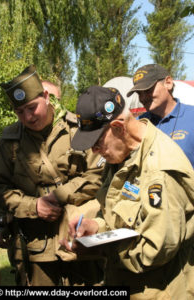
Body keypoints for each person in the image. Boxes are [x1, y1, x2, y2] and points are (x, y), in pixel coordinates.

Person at [62, 85, 194, 299]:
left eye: (96, 143)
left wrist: (96, 248)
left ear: (118, 127)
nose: (94, 151)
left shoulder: (160, 170)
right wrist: (95, 226)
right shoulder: (122, 155)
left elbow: (154, 251)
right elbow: (117, 217)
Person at [0, 65, 105, 286]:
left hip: (79, 241)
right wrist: (33, 206)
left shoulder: (79, 128)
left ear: (46, 96)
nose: (27, 116)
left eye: (32, 107)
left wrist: (58, 196)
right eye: (19, 111)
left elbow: (98, 175)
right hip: (34, 248)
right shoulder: (9, 142)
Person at [126, 63, 194, 167]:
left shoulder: (191, 117)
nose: (143, 98)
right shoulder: (139, 123)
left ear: (168, 83)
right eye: (139, 93)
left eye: (148, 90)